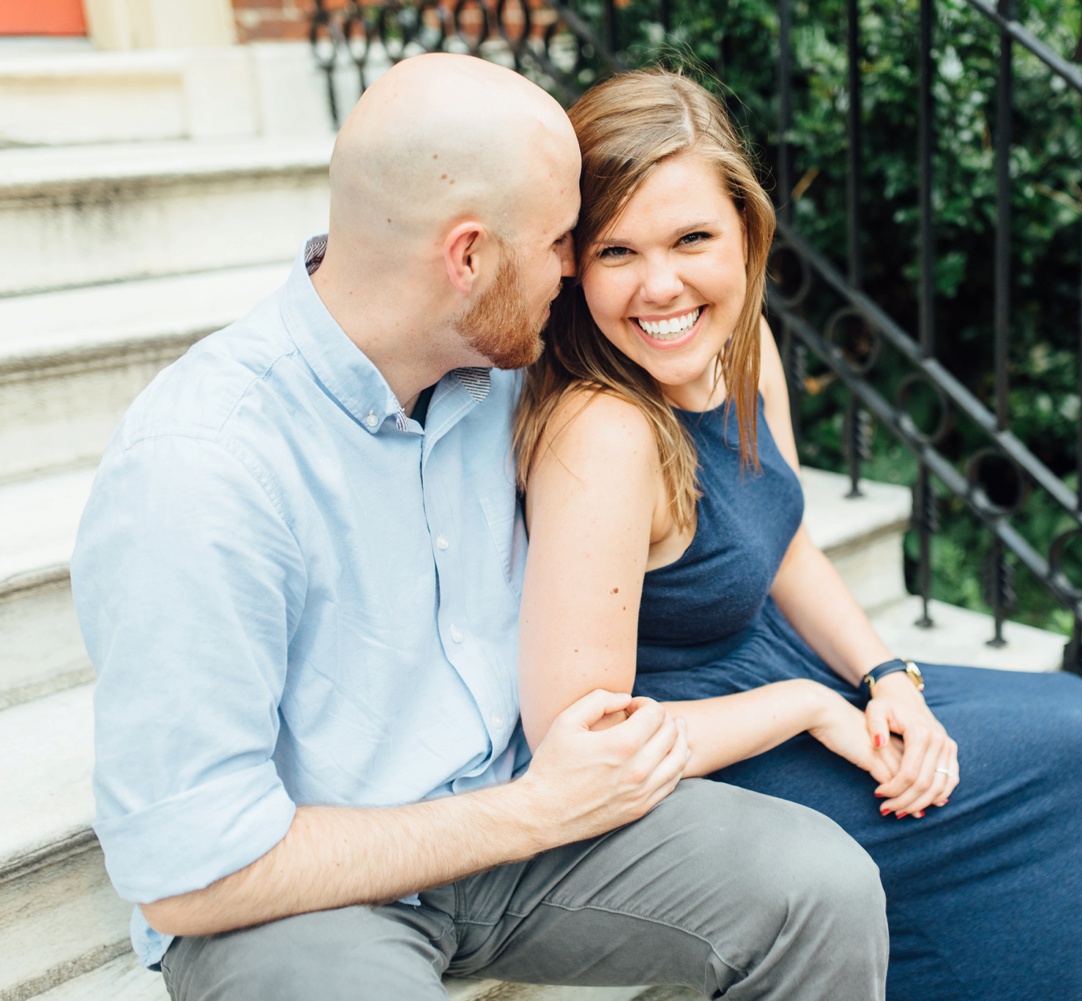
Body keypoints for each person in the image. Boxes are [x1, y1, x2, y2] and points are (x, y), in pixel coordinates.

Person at [71, 53, 889, 1001]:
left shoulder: (503, 365)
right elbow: (191, 868)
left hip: (528, 839)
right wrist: (530, 811)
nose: (576, 270)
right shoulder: (202, 466)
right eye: (560, 243)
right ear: (468, 257)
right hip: (303, 896)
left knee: (815, 889)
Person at [512, 68, 1082, 1001]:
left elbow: (787, 545)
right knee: (1069, 766)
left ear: (747, 233)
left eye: (693, 238)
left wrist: (886, 677)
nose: (662, 286)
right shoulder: (605, 433)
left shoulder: (742, 342)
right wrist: (809, 708)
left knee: (1076, 721)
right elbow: (582, 738)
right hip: (697, 763)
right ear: (575, 263)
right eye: (618, 251)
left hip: (773, 679)